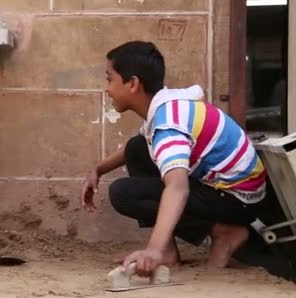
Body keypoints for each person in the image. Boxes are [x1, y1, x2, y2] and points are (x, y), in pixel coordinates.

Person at [81, 41, 266, 276]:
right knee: (138, 148)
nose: (107, 89)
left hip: (238, 199)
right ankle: (169, 251)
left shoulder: (168, 123)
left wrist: (152, 251)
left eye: (110, 79)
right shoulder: (165, 106)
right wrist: (97, 170)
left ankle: (225, 232)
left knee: (123, 193)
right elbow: (136, 146)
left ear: (133, 84)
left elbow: (178, 188)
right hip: (231, 192)